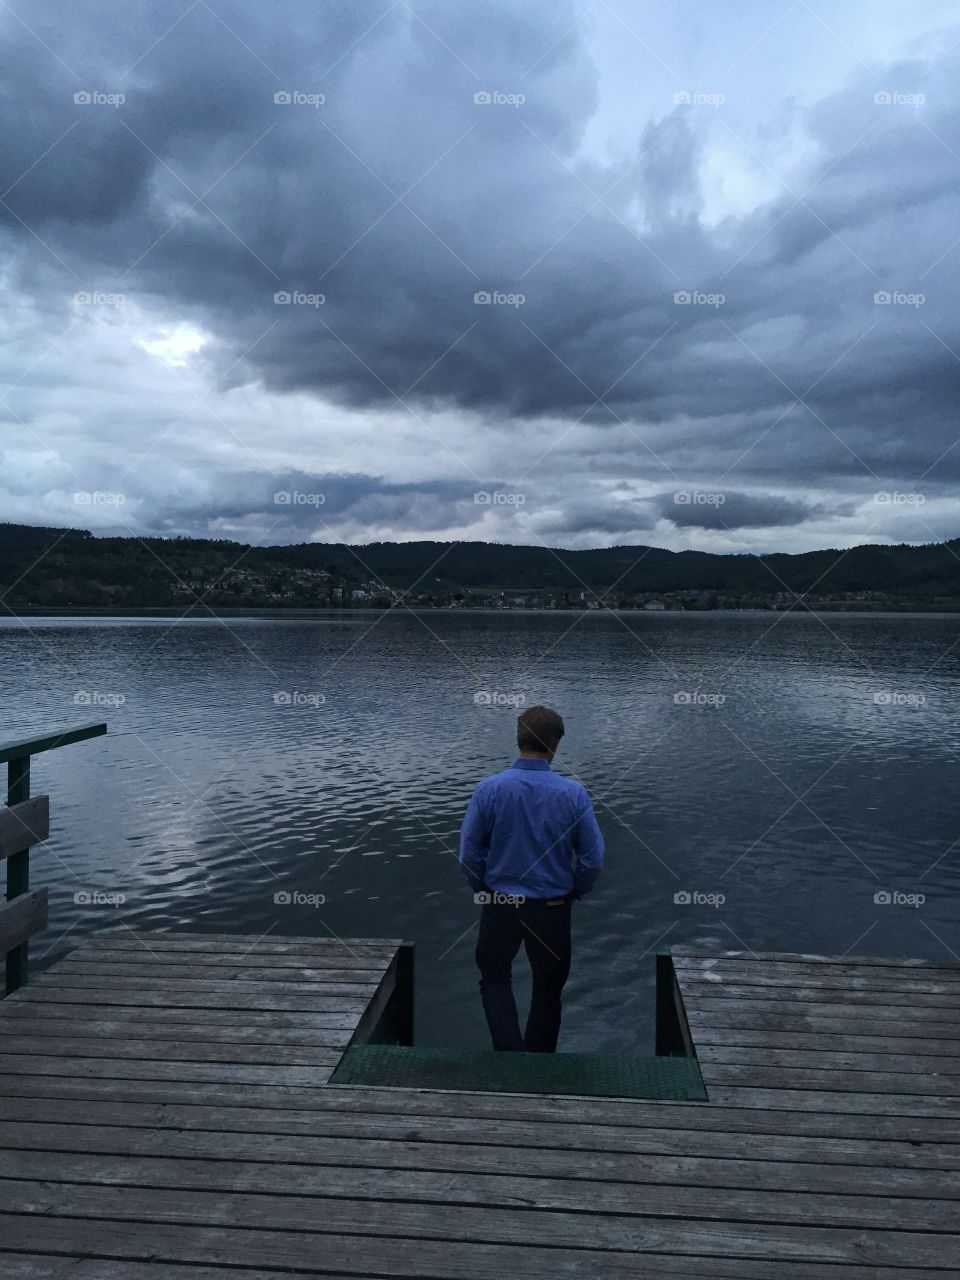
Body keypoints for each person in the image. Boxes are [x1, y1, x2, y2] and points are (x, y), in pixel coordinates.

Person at [458, 704, 605, 1052]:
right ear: (555, 745)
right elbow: (593, 859)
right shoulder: (573, 794)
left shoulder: (489, 789)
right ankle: (538, 1069)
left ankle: (509, 1059)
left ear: (517, 738)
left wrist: (482, 886)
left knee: (495, 979)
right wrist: (575, 889)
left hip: (501, 903)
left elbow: (469, 854)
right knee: (548, 991)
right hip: (552, 908)